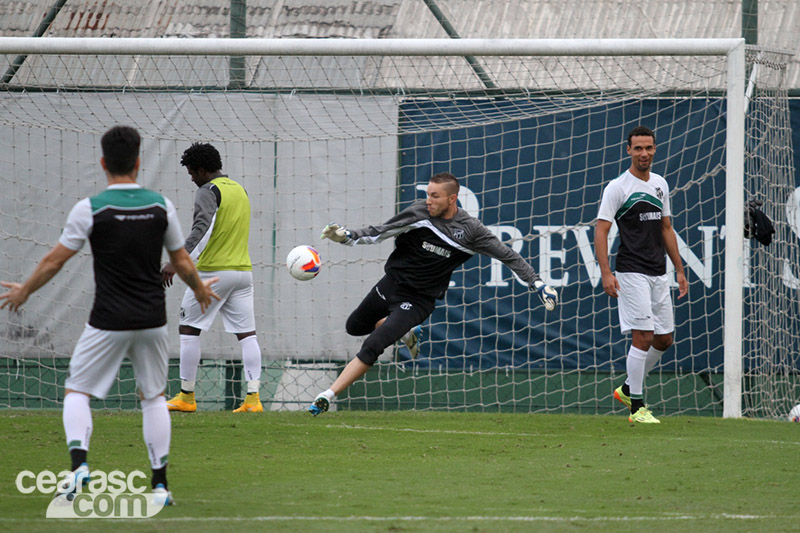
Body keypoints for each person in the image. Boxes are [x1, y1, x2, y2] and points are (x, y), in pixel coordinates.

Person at [0, 125, 218, 503]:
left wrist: (24, 290)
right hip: (151, 320)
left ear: (103, 163)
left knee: (76, 392)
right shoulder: (160, 205)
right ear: (137, 162)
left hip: (107, 320)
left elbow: (55, 261)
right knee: (153, 398)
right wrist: (200, 290)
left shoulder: (90, 208)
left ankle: (80, 466)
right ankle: (160, 487)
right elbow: (180, 260)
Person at [307, 171, 558, 415]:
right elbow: (380, 231)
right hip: (390, 285)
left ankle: (327, 395)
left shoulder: (471, 231)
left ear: (452, 199)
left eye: (435, 196)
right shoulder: (419, 212)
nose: (429, 200)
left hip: (418, 300)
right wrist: (348, 236)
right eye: (428, 194)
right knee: (354, 327)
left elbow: (508, 255)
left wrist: (536, 283)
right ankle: (405, 332)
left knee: (374, 344)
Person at [594, 125, 688, 424]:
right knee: (643, 336)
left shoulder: (660, 184)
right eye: (638, 148)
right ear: (628, 151)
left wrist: (680, 269)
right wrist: (606, 273)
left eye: (648, 148)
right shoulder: (618, 187)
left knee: (664, 341)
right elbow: (601, 230)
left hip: (659, 271)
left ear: (655, 149)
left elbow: (666, 228)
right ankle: (636, 407)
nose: (643, 153)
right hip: (631, 271)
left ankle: (626, 388)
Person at [162, 143, 264, 413]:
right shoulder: (239, 189)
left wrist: (177, 261)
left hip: (214, 272)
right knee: (247, 335)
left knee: (189, 328)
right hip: (243, 272)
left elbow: (202, 229)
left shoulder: (208, 191)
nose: (192, 178)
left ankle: (186, 396)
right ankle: (253, 400)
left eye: (192, 173)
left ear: (202, 169)